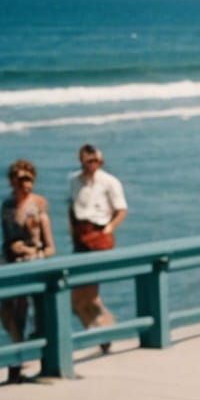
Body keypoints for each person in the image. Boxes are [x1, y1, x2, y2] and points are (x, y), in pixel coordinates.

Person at [0, 159, 54, 383]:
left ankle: (20, 360)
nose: (25, 184)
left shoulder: (38, 205)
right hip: (10, 264)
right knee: (7, 311)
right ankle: (18, 351)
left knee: (28, 313)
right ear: (12, 181)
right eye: (21, 179)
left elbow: (50, 247)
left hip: (32, 263)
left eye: (29, 179)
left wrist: (33, 251)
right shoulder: (7, 206)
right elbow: (6, 238)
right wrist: (13, 248)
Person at [67, 144, 127, 350]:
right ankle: (102, 334)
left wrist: (108, 229)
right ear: (82, 161)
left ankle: (105, 334)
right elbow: (72, 207)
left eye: (97, 161)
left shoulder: (109, 182)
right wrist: (73, 235)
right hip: (81, 238)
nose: (94, 165)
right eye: (90, 161)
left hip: (99, 235)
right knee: (78, 300)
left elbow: (121, 210)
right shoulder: (74, 181)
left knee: (88, 296)